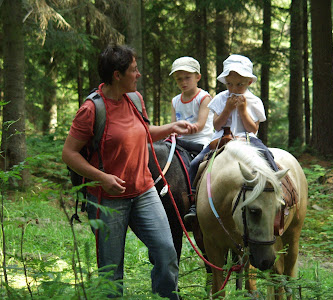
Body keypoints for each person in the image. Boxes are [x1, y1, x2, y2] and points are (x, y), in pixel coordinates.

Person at [62, 44, 198, 299]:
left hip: (145, 191)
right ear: (117, 75)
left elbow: (144, 134)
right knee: (111, 271)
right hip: (107, 201)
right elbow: (68, 154)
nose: (138, 75)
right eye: (134, 70)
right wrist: (102, 178)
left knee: (166, 252)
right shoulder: (92, 110)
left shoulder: (134, 100)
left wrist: (171, 127)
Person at [185, 54, 278, 222]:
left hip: (247, 138)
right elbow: (216, 125)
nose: (234, 88)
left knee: (268, 157)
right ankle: (193, 202)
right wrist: (227, 109)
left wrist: (243, 110)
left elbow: (253, 128)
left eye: (239, 84)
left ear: (249, 82)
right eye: (229, 84)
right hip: (222, 137)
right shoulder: (221, 98)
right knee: (196, 162)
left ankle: (277, 193)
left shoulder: (254, 101)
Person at [170, 56, 213, 150]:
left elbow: (200, 126)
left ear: (198, 77)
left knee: (198, 162)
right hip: (180, 141)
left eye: (187, 78)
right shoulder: (175, 101)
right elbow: (173, 125)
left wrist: (184, 128)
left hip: (200, 140)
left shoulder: (204, 98)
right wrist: (172, 131)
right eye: (179, 79)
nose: (183, 82)